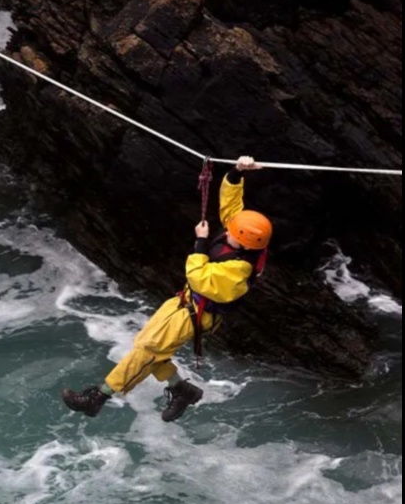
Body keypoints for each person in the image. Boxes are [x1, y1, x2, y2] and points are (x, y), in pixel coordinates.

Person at [62, 155, 271, 422]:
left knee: (147, 352)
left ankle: (98, 397)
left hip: (196, 314)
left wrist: (201, 242)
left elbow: (198, 276)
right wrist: (236, 173)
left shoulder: (238, 269)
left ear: (243, 241)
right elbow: (230, 207)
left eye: (232, 230)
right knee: (146, 346)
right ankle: (181, 389)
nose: (228, 228)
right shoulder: (242, 239)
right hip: (184, 302)